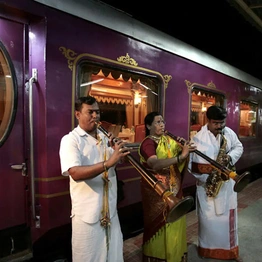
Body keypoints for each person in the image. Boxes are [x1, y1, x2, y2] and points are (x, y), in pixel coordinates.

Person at [59, 96, 130, 262]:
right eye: (90, 112)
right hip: (87, 216)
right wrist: (108, 162)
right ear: (78, 114)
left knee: (113, 256)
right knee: (88, 257)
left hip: (110, 212)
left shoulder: (105, 138)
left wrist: (119, 153)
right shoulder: (70, 140)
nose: (95, 116)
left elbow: (118, 162)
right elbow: (74, 172)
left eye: (97, 112)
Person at [138, 111, 196, 262]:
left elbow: (181, 158)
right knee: (160, 223)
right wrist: (181, 156)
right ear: (149, 125)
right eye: (157, 122)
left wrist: (186, 148)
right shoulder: (148, 143)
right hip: (157, 192)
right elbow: (154, 163)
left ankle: (175, 255)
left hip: (175, 190)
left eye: (163, 121)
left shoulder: (169, 140)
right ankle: (159, 257)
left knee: (176, 221)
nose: (162, 124)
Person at [188, 105, 244, 261]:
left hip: (226, 186)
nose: (220, 126)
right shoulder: (197, 138)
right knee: (208, 221)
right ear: (208, 121)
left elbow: (239, 146)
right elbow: (191, 166)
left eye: (222, 122)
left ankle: (229, 251)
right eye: (216, 123)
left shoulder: (228, 133)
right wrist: (209, 180)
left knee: (228, 221)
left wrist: (230, 157)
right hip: (207, 188)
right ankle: (207, 250)